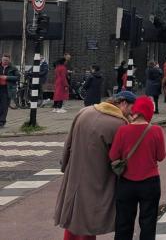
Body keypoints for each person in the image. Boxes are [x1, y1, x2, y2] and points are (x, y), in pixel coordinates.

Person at [55, 91, 135, 240]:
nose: (132, 113)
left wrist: (65, 164)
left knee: (73, 215)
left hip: (74, 172)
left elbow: (68, 142)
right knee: (89, 218)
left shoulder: (84, 111)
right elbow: (119, 157)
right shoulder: (119, 124)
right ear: (123, 103)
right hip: (97, 176)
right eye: (131, 108)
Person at [109, 97, 166, 240]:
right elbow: (161, 156)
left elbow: (113, 155)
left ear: (136, 110)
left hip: (127, 182)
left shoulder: (123, 131)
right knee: (148, 222)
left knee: (123, 222)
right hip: (150, 182)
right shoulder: (156, 130)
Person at [0, 54, 20, 128]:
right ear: (1, 59)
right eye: (4, 60)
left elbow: (18, 77)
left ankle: (2, 122)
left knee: (4, 106)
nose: (5, 61)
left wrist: (7, 77)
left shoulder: (13, 68)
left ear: (9, 60)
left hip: (7, 89)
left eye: (7, 60)